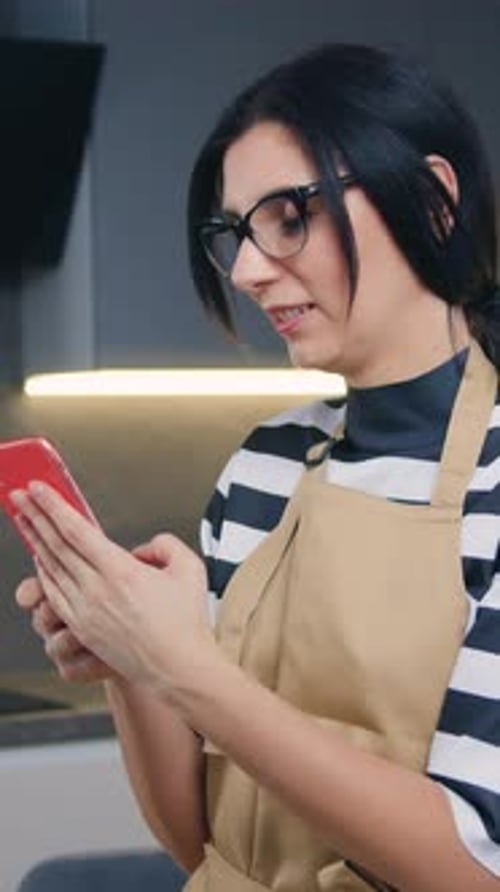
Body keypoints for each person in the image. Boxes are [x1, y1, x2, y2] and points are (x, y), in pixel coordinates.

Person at [12, 42, 500, 891]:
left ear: (431, 198)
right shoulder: (265, 465)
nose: (244, 269)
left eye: (288, 216)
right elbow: (199, 840)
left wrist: (187, 671)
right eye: (233, 232)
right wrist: (131, 657)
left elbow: (471, 867)